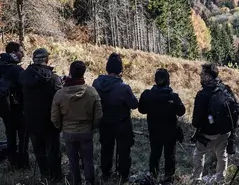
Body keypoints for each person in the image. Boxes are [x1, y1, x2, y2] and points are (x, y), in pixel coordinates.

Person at [52, 60, 102, 185]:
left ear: (70, 72)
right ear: (83, 73)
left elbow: (54, 117)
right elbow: (99, 115)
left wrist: (62, 127)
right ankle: (90, 182)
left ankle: (76, 182)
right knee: (88, 160)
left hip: (68, 132)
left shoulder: (60, 94)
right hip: (86, 131)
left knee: (73, 161)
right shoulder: (92, 92)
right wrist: (92, 126)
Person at [93, 52, 139, 181]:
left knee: (106, 149)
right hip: (122, 124)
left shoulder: (96, 83)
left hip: (104, 122)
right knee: (124, 151)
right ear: (120, 70)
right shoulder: (123, 88)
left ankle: (106, 174)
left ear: (107, 68)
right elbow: (134, 104)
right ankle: (123, 177)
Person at [192, 63, 239, 183]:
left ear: (208, 76)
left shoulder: (202, 94)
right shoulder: (226, 89)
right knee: (222, 155)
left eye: (202, 74)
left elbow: (195, 121)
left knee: (198, 153)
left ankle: (197, 179)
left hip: (207, 133)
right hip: (225, 132)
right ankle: (220, 180)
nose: (200, 75)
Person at [19, 48, 63, 180]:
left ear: (33, 60)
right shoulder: (53, 78)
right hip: (50, 119)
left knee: (39, 150)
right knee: (53, 150)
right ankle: (56, 177)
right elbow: (59, 99)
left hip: (31, 118)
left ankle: (45, 175)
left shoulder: (22, 76)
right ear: (47, 60)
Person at [138, 68, 186, 184]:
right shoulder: (173, 97)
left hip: (154, 131)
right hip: (170, 132)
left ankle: (152, 176)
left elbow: (141, 110)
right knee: (169, 156)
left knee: (154, 154)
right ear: (168, 81)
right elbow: (182, 111)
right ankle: (168, 179)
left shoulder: (147, 94)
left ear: (155, 80)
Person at [0, 41, 28, 168]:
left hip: (3, 107)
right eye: (20, 51)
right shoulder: (17, 69)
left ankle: (12, 161)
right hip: (18, 107)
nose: (22, 53)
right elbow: (24, 88)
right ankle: (23, 163)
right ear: (13, 53)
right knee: (23, 136)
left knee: (10, 134)